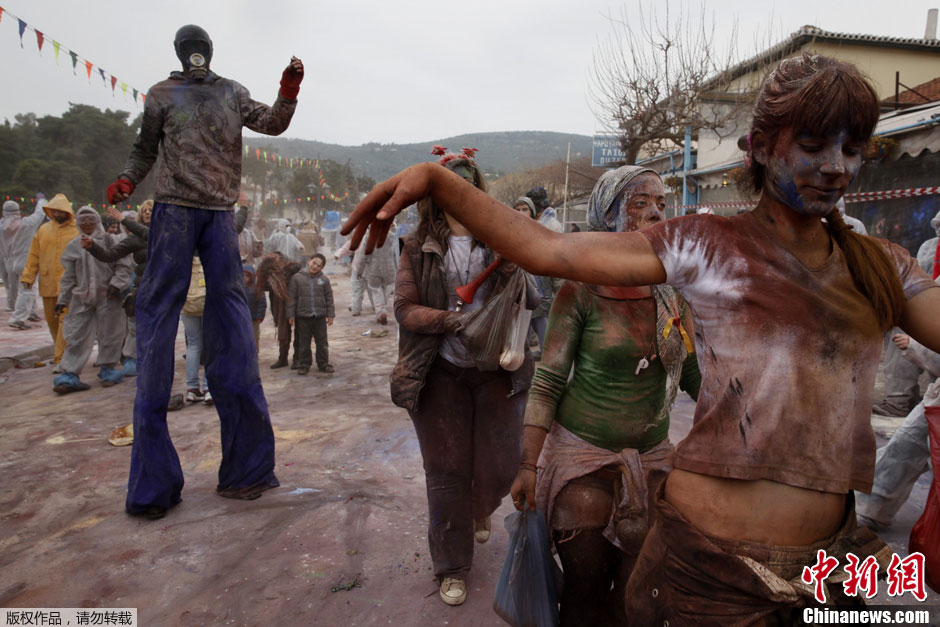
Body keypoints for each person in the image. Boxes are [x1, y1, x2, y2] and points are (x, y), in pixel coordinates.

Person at [344, 54, 940, 622]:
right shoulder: (707, 246)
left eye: (854, 148)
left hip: (832, 566)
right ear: (760, 148)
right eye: (813, 145)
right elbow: (549, 252)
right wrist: (439, 183)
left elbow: (696, 375)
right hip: (715, 562)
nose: (837, 164)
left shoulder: (881, 266)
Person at [106, 24, 304, 518]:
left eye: (201, 50)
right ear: (180, 53)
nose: (196, 56)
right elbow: (144, 149)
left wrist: (289, 91)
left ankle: (246, 470)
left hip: (217, 214)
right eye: (189, 50)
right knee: (156, 322)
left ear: (209, 53)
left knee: (233, 327)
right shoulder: (160, 95)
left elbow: (274, 123)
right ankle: (153, 486)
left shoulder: (232, 91)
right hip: (172, 210)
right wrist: (129, 179)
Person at [510, 166, 702, 625]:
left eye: (660, 203)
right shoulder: (580, 291)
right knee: (586, 593)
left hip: (653, 458)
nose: (656, 213)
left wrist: (739, 429)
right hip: (583, 455)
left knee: (640, 598)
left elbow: (692, 372)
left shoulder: (671, 293)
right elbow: (549, 379)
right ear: (610, 215)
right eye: (640, 204)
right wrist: (527, 465)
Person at [388, 148, 538, 607]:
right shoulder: (416, 247)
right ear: (436, 196)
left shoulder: (503, 240)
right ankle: (452, 566)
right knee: (447, 472)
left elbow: (533, 299)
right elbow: (404, 309)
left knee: (500, 466)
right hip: (440, 372)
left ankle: (477, 507)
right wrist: (452, 322)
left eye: (469, 188)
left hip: (496, 370)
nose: (461, 196)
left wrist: (516, 271)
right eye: (451, 188)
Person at [856, 328, 940, 529]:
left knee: (906, 448)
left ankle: (872, 508)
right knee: (903, 448)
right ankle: (871, 509)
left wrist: (916, 346)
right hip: (935, 399)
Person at [54, 207, 134, 394]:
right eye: (84, 222)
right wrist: (63, 299)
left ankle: (108, 368)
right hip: (82, 298)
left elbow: (124, 265)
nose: (88, 225)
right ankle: (70, 373)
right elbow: (69, 277)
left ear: (97, 221)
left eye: (91, 221)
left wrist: (117, 284)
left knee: (111, 333)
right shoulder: (74, 245)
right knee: (76, 335)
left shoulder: (111, 241)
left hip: (109, 296)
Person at [84, 203, 152, 377]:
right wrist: (93, 247)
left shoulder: (168, 233)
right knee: (135, 326)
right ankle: (131, 359)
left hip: (167, 289)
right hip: (142, 288)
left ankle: (153, 362)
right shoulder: (135, 239)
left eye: (151, 210)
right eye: (144, 211)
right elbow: (109, 255)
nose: (147, 213)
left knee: (161, 329)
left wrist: (124, 220)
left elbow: (152, 235)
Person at [20, 193, 78, 370]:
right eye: (54, 211)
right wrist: (28, 276)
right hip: (47, 283)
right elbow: (34, 255)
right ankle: (60, 353)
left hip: (69, 286)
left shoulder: (77, 231)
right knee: (52, 320)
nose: (57, 214)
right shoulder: (43, 230)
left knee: (64, 321)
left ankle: (60, 358)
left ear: (67, 211)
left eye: (60, 211)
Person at [513, 196, 561, 355]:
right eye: (517, 209)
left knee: (541, 326)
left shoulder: (541, 231)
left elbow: (552, 259)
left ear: (532, 211)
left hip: (540, 290)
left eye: (525, 209)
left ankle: (548, 360)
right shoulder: (509, 233)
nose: (521, 212)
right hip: (519, 293)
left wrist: (558, 288)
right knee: (521, 334)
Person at [287, 253, 334, 374]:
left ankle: (323, 364)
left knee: (322, 342)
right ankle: (304, 364)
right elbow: (291, 298)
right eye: (314, 263)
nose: (315, 267)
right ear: (309, 261)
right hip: (303, 316)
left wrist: (330, 315)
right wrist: (291, 315)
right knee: (304, 342)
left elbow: (329, 298)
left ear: (322, 268)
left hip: (319, 316)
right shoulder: (297, 278)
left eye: (319, 266)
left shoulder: (324, 280)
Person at [2, 199, 46, 326]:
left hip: (9, 263)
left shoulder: (1, 225)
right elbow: (40, 213)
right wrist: (41, 200)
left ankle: (31, 312)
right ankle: (18, 318)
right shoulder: (27, 223)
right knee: (27, 289)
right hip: (25, 261)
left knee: (16, 288)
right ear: (18, 211)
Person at [180, 257, 210, 404]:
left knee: (193, 345)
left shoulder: (182, 257)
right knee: (209, 345)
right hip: (207, 304)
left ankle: (192, 388)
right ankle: (208, 388)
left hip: (187, 306)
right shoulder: (209, 254)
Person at [360, 226, 398, 325]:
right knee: (386, 289)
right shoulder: (391, 235)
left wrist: (360, 271)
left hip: (373, 268)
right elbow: (396, 253)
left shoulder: (368, 236)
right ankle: (381, 310)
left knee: (376, 290)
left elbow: (363, 255)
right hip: (389, 268)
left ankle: (380, 312)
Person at [242, 264, 266, 357]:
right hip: (241, 317)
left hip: (253, 317)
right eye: (243, 275)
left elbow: (262, 303)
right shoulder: (237, 287)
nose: (245, 278)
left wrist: (259, 316)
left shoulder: (256, 288)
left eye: (247, 275)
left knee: (254, 336)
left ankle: (254, 353)